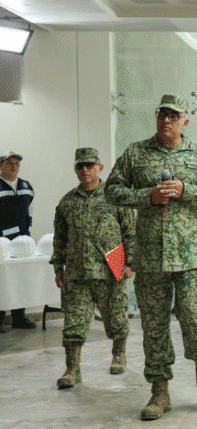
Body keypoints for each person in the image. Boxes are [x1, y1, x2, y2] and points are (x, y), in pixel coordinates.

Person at [105, 94, 197, 420]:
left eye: (173, 116)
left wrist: (187, 191)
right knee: (154, 324)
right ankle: (159, 390)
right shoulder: (136, 153)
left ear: (185, 122)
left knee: (193, 315)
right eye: (162, 115)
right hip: (149, 257)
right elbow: (112, 191)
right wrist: (148, 195)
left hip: (189, 255)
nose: (166, 121)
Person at [51, 148, 135, 389]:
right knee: (73, 325)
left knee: (116, 318)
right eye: (80, 166)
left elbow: (130, 231)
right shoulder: (67, 202)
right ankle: (72, 368)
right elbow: (60, 237)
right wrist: (58, 265)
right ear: (75, 169)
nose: (85, 170)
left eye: (90, 165)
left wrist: (131, 263)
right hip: (77, 272)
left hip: (112, 266)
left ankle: (119, 355)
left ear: (100, 167)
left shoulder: (115, 196)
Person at [0, 150, 36, 331]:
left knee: (21, 278)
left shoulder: (26, 186)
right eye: (9, 163)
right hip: (2, 243)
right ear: (1, 166)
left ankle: (19, 318)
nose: (13, 167)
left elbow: (30, 210)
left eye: (16, 164)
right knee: (2, 280)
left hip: (22, 242)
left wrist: (27, 231)